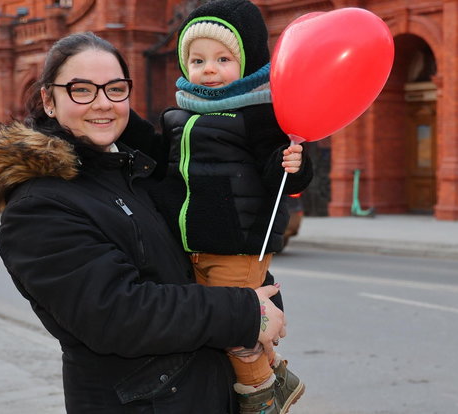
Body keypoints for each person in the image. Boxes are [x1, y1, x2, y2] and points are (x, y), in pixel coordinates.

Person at [0, 31, 288, 413]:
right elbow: (116, 314)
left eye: (115, 89)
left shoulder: (132, 174)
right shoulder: (39, 206)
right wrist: (243, 311)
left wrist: (256, 293)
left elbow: (194, 265)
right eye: (81, 90)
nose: (102, 103)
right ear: (48, 100)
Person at [146, 1, 313, 412]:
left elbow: (280, 174)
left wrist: (293, 165)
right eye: (197, 59)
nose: (209, 68)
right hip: (194, 243)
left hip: (239, 239)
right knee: (227, 317)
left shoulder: (259, 114)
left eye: (223, 59)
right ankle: (280, 376)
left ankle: (260, 398)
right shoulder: (177, 116)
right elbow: (164, 169)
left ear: (249, 62)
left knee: (235, 332)